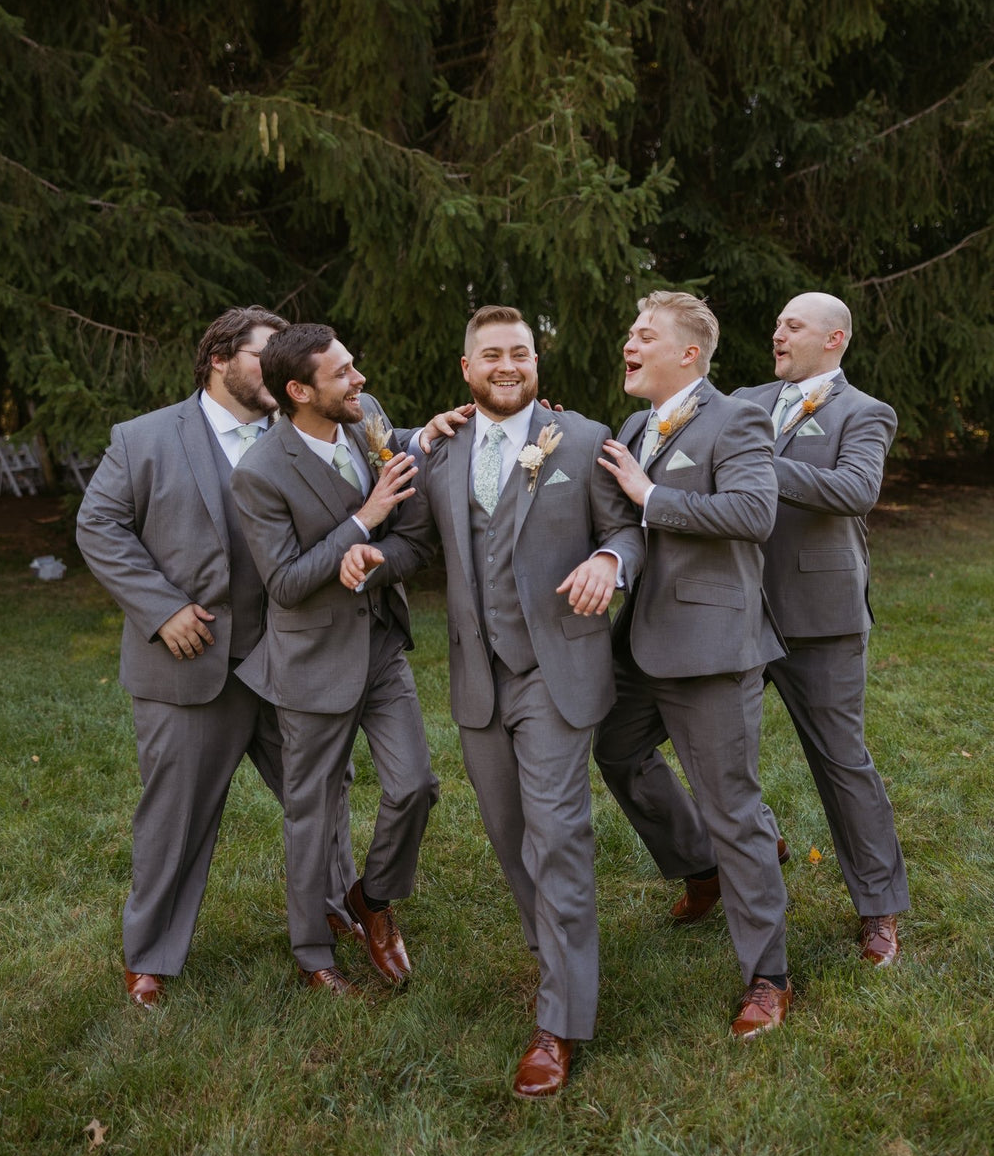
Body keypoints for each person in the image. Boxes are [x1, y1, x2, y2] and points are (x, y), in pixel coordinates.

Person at [340, 305, 644, 1097]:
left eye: (521, 353)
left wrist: (610, 560)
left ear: (536, 362)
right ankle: (557, 959)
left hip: (556, 668)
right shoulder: (438, 449)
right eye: (493, 355)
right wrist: (369, 558)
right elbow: (416, 541)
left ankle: (560, 1020)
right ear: (467, 369)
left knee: (558, 834)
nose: (508, 365)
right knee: (511, 836)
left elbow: (628, 529)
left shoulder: (581, 438)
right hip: (477, 673)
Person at [77, 304, 359, 1009]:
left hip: (290, 657)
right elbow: (99, 525)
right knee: (173, 816)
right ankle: (150, 955)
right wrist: (160, 609)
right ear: (219, 360)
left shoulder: (301, 429)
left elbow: (379, 443)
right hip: (190, 659)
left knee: (322, 795)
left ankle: (333, 917)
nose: (282, 368)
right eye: (266, 354)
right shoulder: (143, 439)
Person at [595, 291, 793, 1040]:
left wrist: (652, 495)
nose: (629, 342)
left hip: (711, 647)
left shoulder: (737, 418)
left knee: (732, 806)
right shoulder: (633, 426)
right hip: (639, 642)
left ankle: (768, 976)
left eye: (644, 334)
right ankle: (699, 866)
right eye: (630, 330)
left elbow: (754, 513)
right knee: (616, 750)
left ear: (688, 353)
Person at [229, 323, 444, 997]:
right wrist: (362, 521)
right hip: (312, 659)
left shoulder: (367, 418)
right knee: (312, 812)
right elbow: (285, 582)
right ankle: (312, 952)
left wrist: (374, 558)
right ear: (299, 391)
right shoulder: (259, 473)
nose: (360, 380)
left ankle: (371, 898)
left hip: (380, 645)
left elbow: (411, 533)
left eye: (354, 365)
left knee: (416, 785)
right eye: (343, 372)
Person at [732, 291, 908, 964]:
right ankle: (735, 845)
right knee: (700, 746)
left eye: (793, 325)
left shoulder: (865, 412)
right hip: (736, 611)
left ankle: (878, 906)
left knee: (841, 761)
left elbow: (856, 489)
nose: (777, 333)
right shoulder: (744, 400)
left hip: (820, 618)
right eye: (777, 323)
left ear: (833, 339)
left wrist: (753, 463)